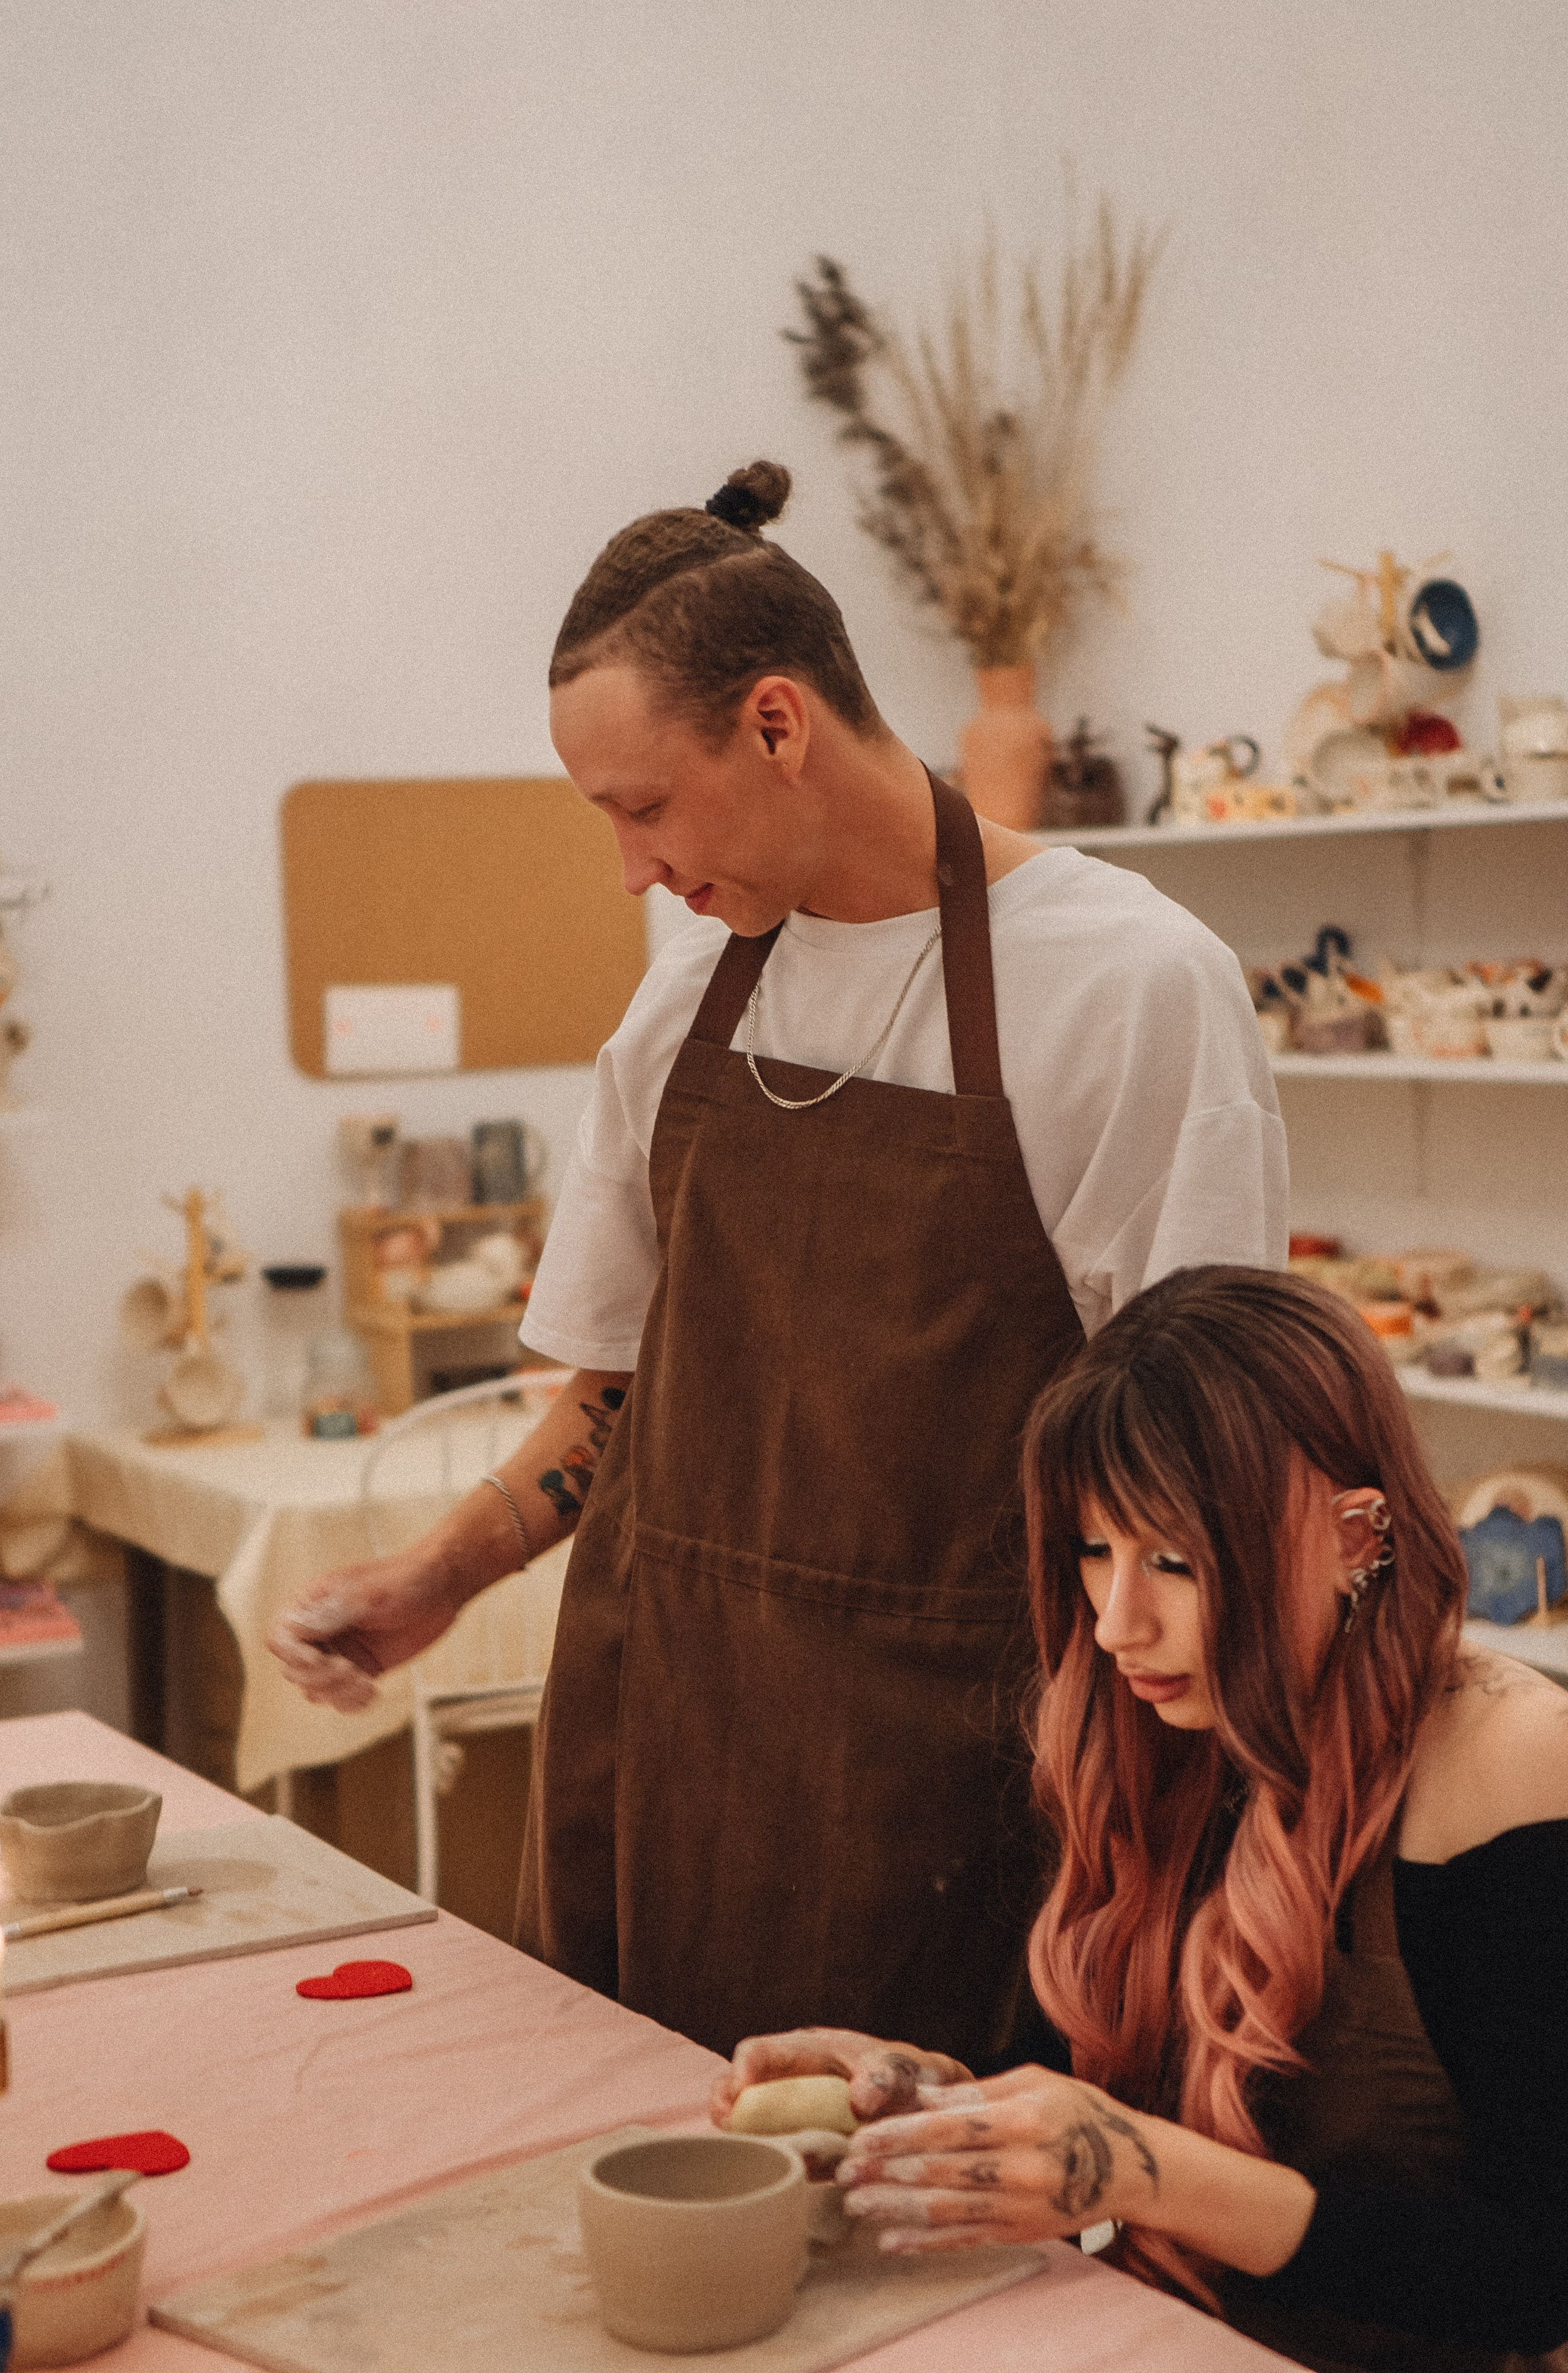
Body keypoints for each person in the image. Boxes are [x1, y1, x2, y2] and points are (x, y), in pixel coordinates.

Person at [269, 462, 1287, 2072]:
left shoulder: (1131, 987)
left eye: (642, 807)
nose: (629, 869)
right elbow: (613, 1399)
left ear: (774, 724)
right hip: (660, 1745)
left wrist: (1207, 1837)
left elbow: (1209, 1473)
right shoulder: (682, 1012)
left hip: (954, 1796)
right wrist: (433, 1583)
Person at [715, 1267, 1568, 2372]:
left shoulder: (1508, 1764)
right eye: (1094, 1549)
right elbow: (1073, 2082)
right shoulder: (1156, 1731)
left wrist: (1144, 2173)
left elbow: (1533, 2275)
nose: (1119, 1624)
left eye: (1176, 1561)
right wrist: (925, 2102)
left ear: (1358, 1536)